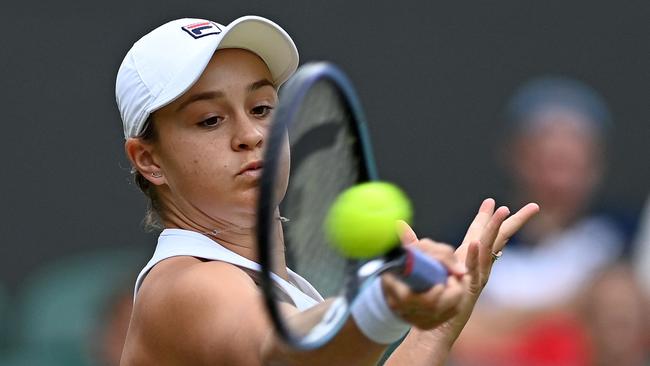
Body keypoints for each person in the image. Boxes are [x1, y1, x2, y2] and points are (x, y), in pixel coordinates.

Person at [115, 16, 538, 365]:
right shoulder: (186, 286)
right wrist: (384, 299)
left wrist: (437, 324)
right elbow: (280, 350)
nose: (250, 134)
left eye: (262, 108)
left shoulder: (279, 287)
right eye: (209, 119)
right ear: (149, 161)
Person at [452, 76, 627, 366]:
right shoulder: (470, 238)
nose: (560, 165)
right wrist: (577, 306)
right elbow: (453, 333)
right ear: (517, 155)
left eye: (574, 151)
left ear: (596, 163)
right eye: (547, 149)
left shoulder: (622, 234)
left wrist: (502, 323)